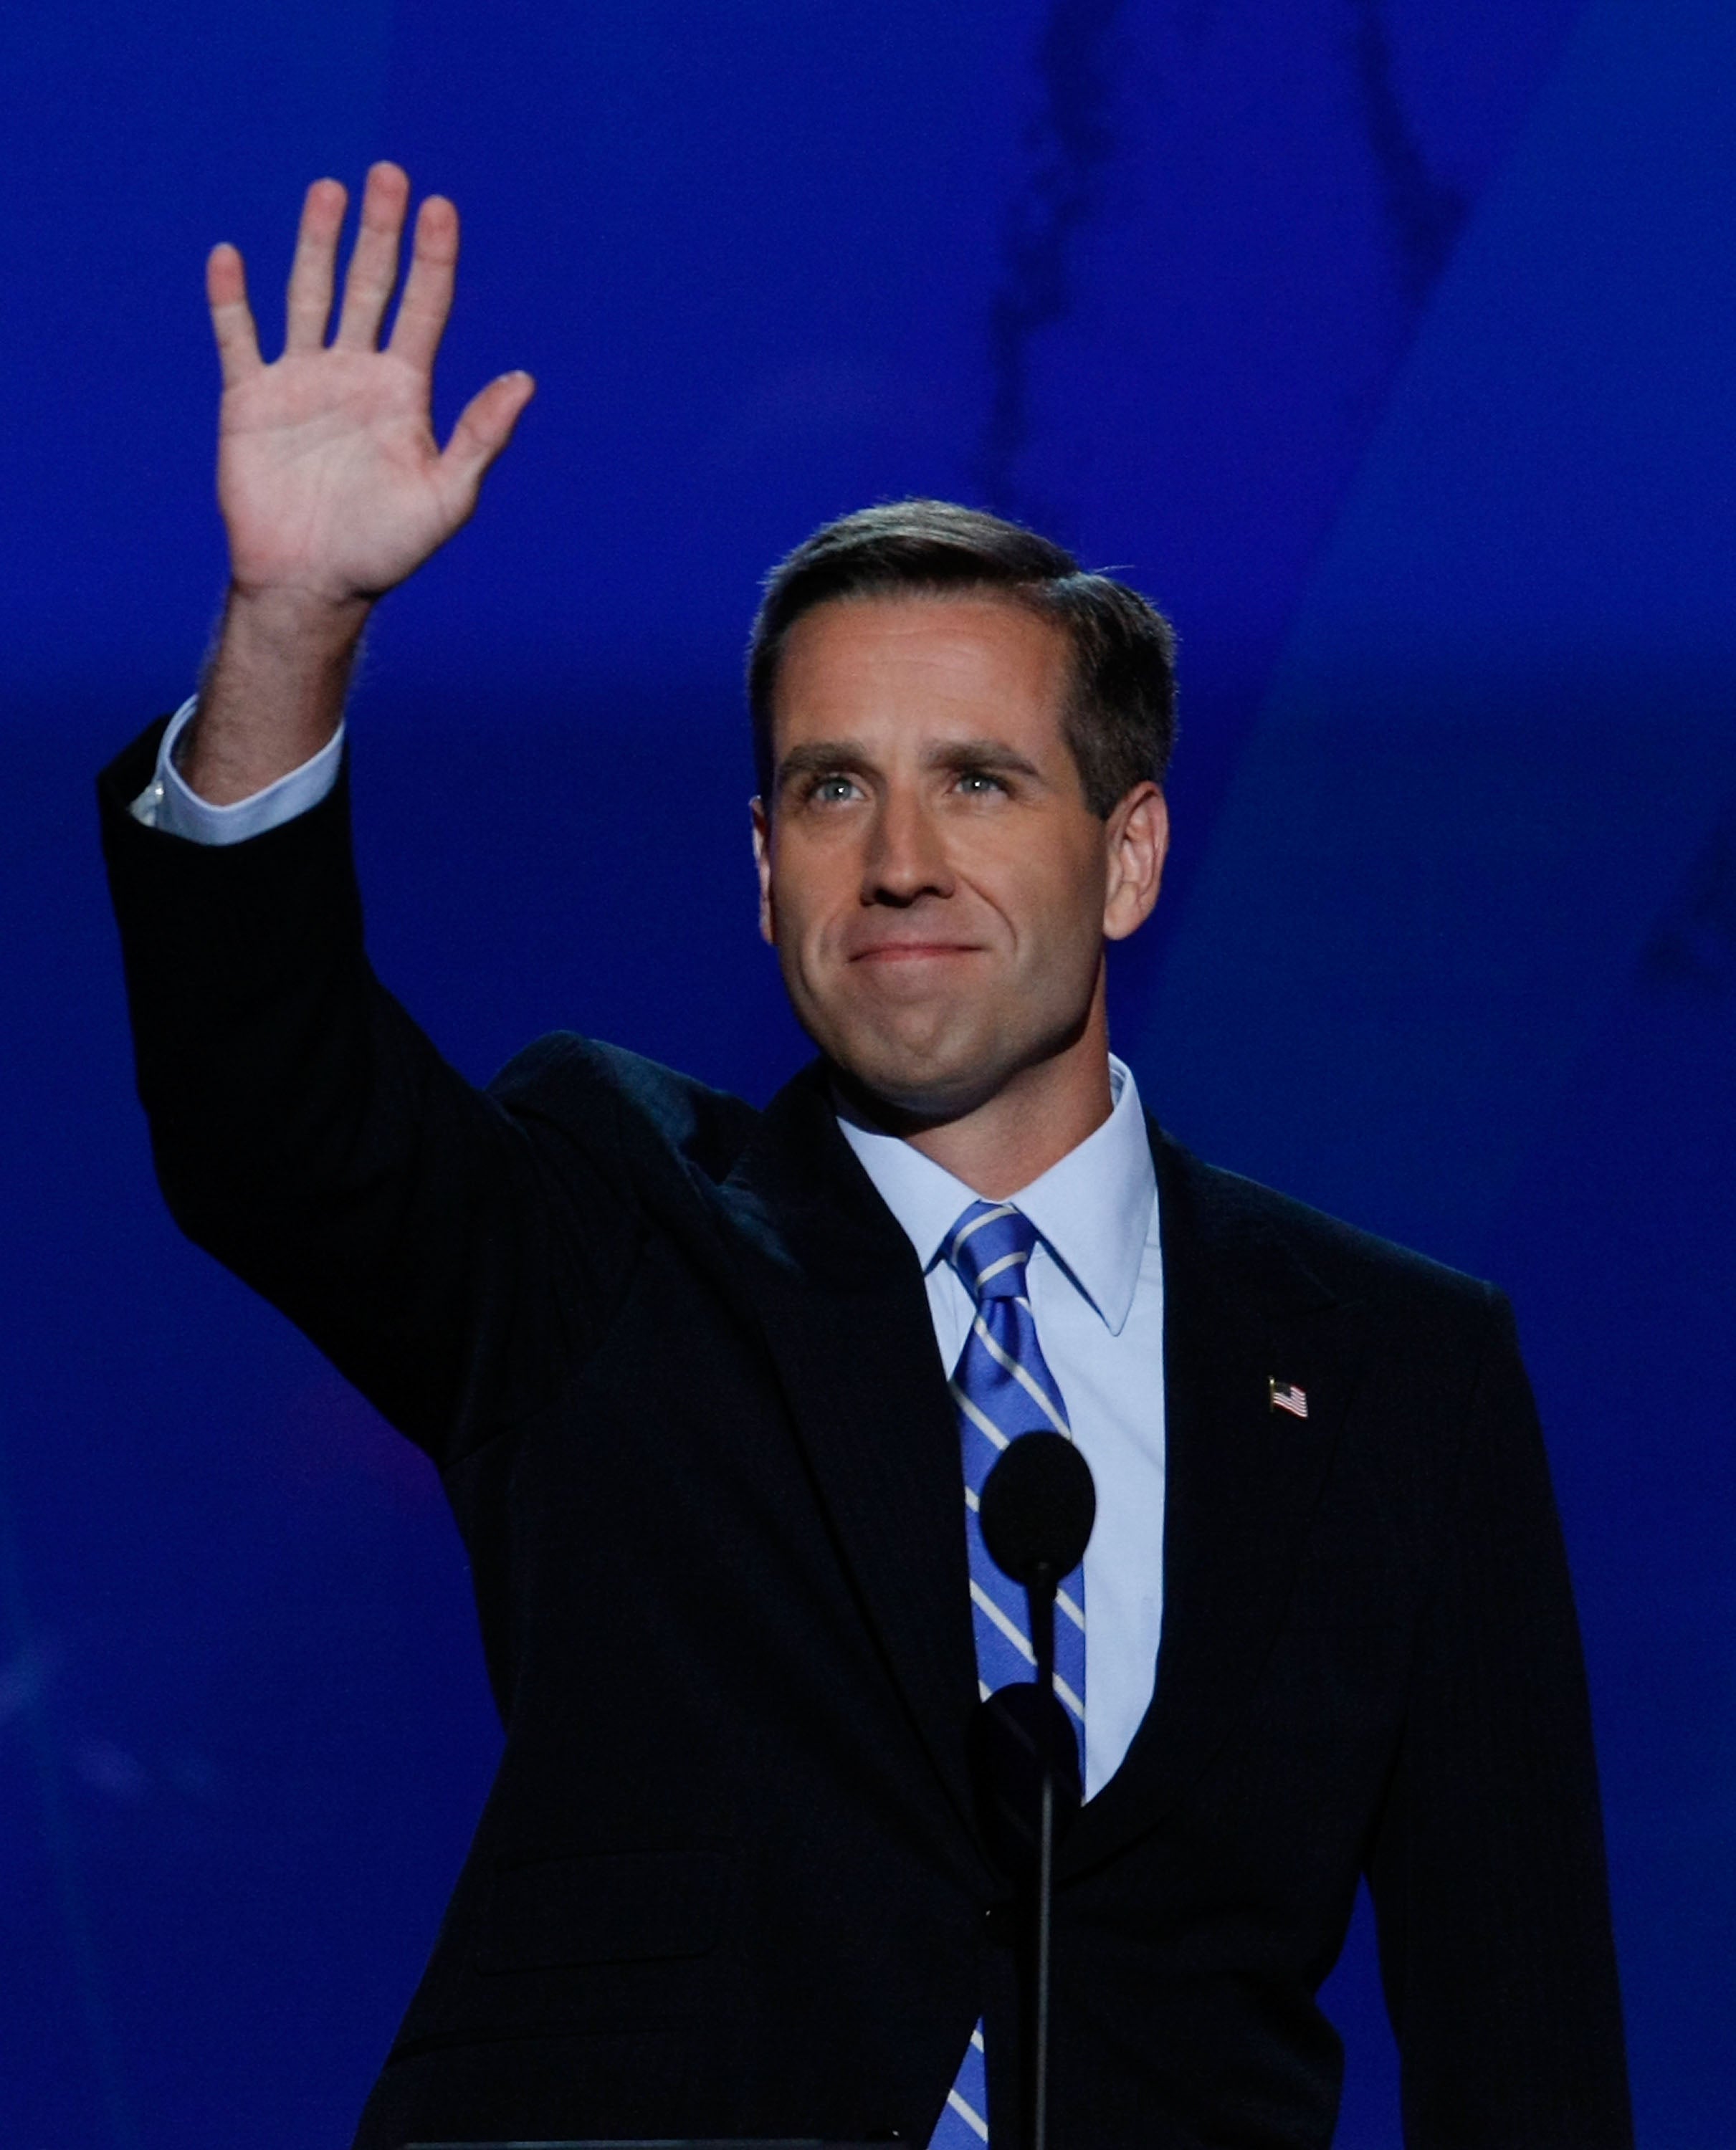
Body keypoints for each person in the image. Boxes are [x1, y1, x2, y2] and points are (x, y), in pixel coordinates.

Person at [99, 163, 1631, 2149]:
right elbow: (266, 1118)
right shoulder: (610, 1231)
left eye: (978, 783)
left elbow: (1527, 2049)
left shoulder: (1405, 1375)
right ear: (763, 871)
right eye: (833, 790)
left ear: (1133, 852)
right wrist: (288, 626)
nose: (899, 860)